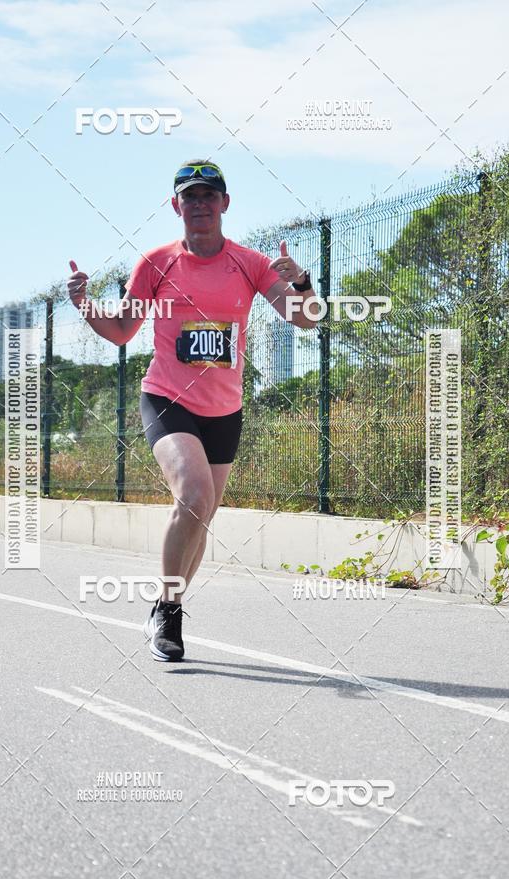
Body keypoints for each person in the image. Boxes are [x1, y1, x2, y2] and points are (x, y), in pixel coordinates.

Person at [67, 159, 318, 662]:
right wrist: (84, 305)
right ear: (175, 204)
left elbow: (306, 321)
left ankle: (169, 600)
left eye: (209, 196)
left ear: (225, 204)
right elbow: (121, 332)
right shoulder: (156, 263)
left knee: (201, 515)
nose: (199, 204)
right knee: (194, 492)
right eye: (190, 197)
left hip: (225, 410)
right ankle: (168, 613)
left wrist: (303, 282)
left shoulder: (250, 263)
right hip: (166, 399)